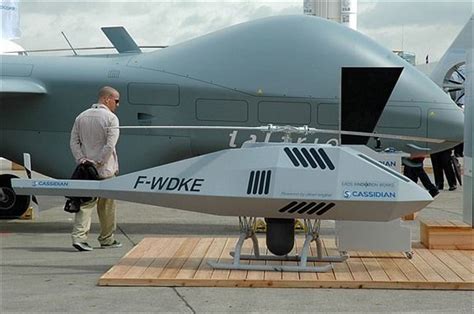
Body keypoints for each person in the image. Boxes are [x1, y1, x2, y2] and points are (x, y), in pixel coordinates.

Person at [69, 86, 121, 251]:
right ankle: (106, 239)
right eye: (116, 100)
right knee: (107, 207)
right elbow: (110, 145)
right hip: (105, 170)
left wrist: (82, 160)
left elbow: (74, 142)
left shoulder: (81, 117)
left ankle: (79, 238)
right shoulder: (111, 119)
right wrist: (98, 162)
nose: (117, 105)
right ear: (107, 99)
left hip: (86, 171)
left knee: (85, 204)